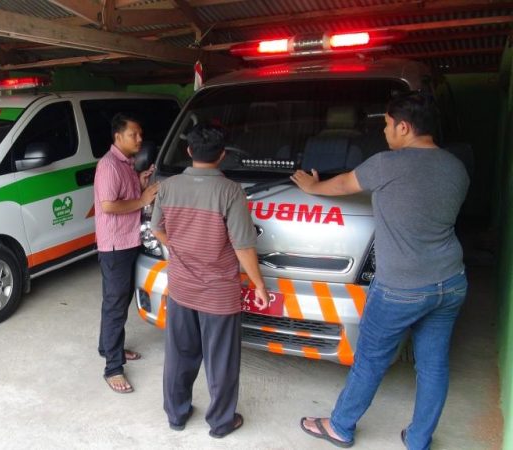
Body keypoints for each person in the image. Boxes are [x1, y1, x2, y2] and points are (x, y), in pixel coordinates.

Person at [292, 93, 470, 450]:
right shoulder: (456, 166)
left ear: (404, 127)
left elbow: (341, 185)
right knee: (433, 366)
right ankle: (418, 439)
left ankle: (340, 427)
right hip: (450, 282)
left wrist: (311, 185)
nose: (385, 132)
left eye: (387, 125)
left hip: (400, 287)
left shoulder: (388, 164)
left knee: (371, 360)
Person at [151, 123, 268, 438]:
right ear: (222, 156)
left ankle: (176, 415)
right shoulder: (229, 191)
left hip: (181, 287)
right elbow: (243, 246)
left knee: (179, 355)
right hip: (218, 292)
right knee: (221, 361)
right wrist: (259, 285)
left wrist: (178, 249)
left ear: (188, 151)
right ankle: (221, 423)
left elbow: (157, 229)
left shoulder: (169, 186)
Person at [94, 113, 158, 394]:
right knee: (115, 303)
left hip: (128, 241)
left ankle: (108, 346)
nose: (140, 139)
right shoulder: (109, 166)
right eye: (134, 134)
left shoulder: (126, 164)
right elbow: (109, 206)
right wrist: (142, 199)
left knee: (118, 300)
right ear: (118, 137)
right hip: (116, 245)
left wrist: (140, 185)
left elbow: (124, 197)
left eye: (140, 134)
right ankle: (113, 367)